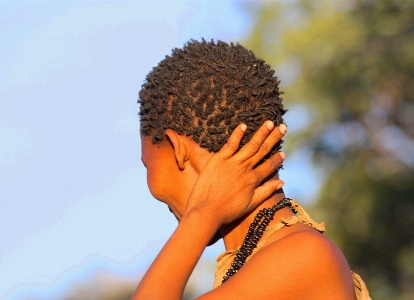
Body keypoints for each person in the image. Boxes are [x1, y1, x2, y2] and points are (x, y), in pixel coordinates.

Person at [132, 39, 371, 299]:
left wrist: (201, 214)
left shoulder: (302, 255)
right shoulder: (265, 259)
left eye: (147, 163)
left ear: (177, 148)